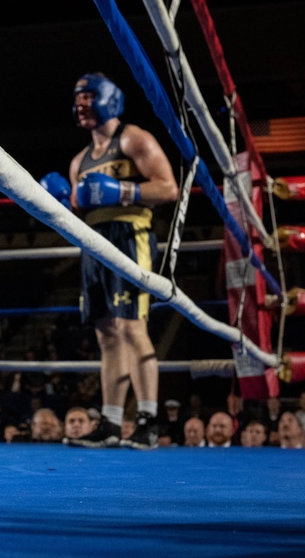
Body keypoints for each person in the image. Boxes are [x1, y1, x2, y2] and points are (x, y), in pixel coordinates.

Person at [54, 74, 178, 450]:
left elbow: (168, 187)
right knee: (106, 333)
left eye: (89, 95)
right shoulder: (79, 162)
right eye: (78, 97)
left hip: (130, 237)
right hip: (93, 243)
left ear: (109, 98)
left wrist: (123, 190)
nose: (82, 103)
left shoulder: (134, 138)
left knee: (131, 328)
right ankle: (109, 421)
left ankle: (147, 421)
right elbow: (77, 212)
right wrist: (60, 205)